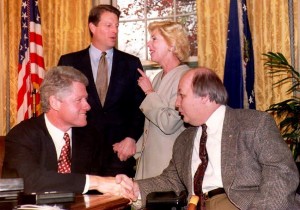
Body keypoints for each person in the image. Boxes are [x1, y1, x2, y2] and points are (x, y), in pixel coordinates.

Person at [121, 67, 300, 209]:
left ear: (205, 97)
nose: (176, 104)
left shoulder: (254, 124)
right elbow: (170, 180)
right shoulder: (185, 139)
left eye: (181, 95)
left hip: (243, 205)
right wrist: (135, 188)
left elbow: (281, 173)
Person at [3, 66, 129, 195]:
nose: (88, 106)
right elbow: (30, 181)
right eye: (79, 100)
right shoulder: (22, 135)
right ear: (55, 103)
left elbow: (111, 167)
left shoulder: (90, 134)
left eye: (86, 99)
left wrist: (121, 181)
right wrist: (96, 182)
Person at [57, 5, 145, 177]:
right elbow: (59, 106)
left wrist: (131, 138)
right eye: (109, 25)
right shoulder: (69, 61)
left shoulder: (131, 63)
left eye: (117, 26)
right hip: (79, 153)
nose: (115, 30)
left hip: (119, 153)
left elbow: (141, 107)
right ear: (93, 27)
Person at [134, 20, 190, 179]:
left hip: (168, 167)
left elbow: (168, 123)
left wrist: (150, 92)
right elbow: (151, 127)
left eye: (154, 39)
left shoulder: (185, 77)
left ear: (172, 44)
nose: (148, 43)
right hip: (150, 164)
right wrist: (134, 147)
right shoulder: (158, 77)